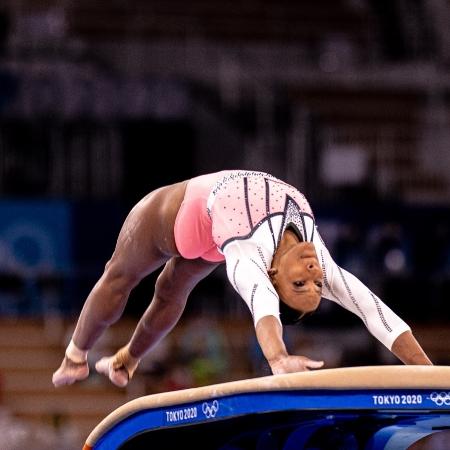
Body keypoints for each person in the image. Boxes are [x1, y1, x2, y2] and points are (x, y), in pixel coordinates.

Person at [52, 170, 432, 388]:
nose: (315, 276)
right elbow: (374, 311)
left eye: (301, 285)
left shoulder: (249, 259)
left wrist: (277, 358)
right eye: (315, 285)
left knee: (168, 291)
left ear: (272, 276)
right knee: (122, 278)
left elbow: (262, 307)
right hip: (187, 218)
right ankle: (77, 356)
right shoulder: (319, 258)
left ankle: (124, 360)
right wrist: (428, 373)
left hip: (188, 224)